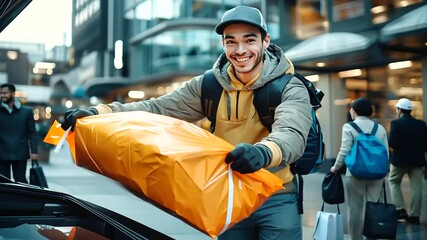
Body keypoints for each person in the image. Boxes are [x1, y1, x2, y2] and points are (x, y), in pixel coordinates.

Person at [61, 5, 312, 240]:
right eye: (231, 42)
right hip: (229, 196)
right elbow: (157, 109)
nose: (240, 50)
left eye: (249, 40)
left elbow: (292, 132)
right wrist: (101, 111)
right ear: (223, 45)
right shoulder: (210, 84)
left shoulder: (289, 85)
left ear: (265, 41)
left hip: (277, 195)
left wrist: (264, 152)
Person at [330, 98, 389, 240]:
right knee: (373, 206)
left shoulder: (349, 127)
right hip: (377, 174)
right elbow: (385, 153)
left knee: (354, 208)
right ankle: (372, 236)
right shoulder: (379, 128)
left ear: (353, 111)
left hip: (355, 173)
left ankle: (355, 237)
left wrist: (335, 167)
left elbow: (344, 150)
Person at [388, 98, 427, 225]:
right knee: (417, 187)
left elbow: (392, 143)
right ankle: (415, 216)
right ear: (410, 110)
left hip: (400, 161)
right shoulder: (421, 124)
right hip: (417, 160)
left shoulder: (396, 123)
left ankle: (400, 210)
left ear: (399, 110)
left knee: (393, 181)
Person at [0, 83, 38, 183]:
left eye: (5, 93)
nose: (2, 95)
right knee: (4, 183)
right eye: (1, 93)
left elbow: (32, 133)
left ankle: (23, 199)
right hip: (2, 153)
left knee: (21, 181)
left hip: (20, 153)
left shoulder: (26, 112)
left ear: (13, 93)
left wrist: (34, 151)